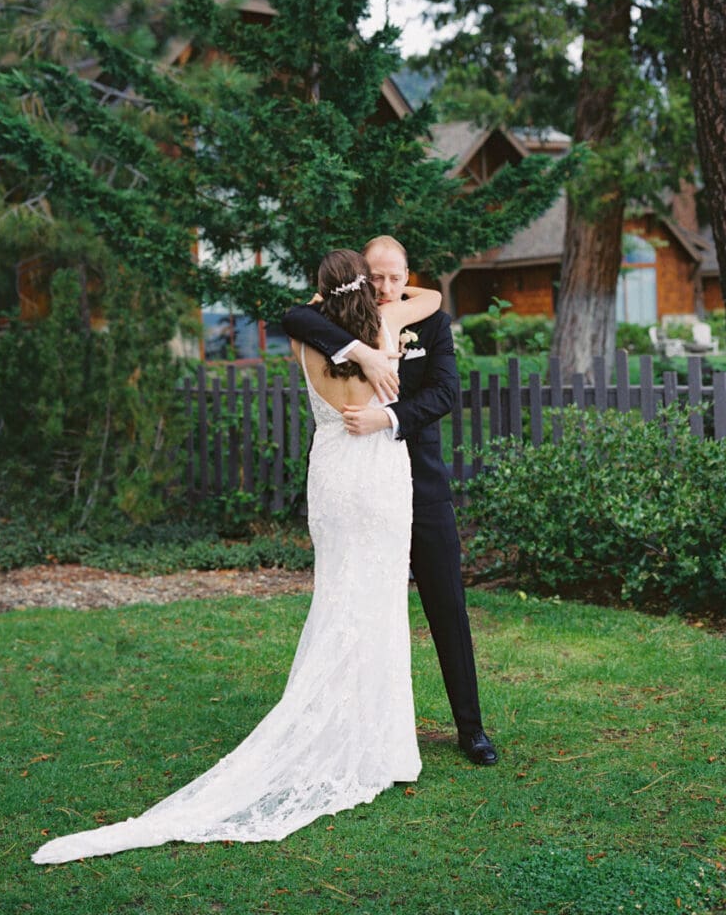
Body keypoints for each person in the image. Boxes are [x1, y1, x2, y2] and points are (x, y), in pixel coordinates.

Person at [31, 249, 441, 865]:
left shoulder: (308, 343)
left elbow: (300, 314)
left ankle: (362, 738)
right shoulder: (385, 330)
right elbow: (429, 299)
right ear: (365, 290)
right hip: (380, 475)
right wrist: (370, 322)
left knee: (338, 600)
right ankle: (382, 748)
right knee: (379, 604)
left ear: (320, 296)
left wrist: (331, 319)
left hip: (333, 474)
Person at [283, 235, 498, 766]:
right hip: (364, 484)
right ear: (362, 274)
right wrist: (357, 348)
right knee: (362, 601)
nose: (384, 287)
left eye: (394, 277)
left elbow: (445, 393)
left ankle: (470, 728)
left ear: (408, 276)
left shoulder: (429, 320)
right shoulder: (338, 320)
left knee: (447, 603)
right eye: (374, 277)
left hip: (419, 481)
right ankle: (355, 724)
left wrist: (389, 417)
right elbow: (293, 315)